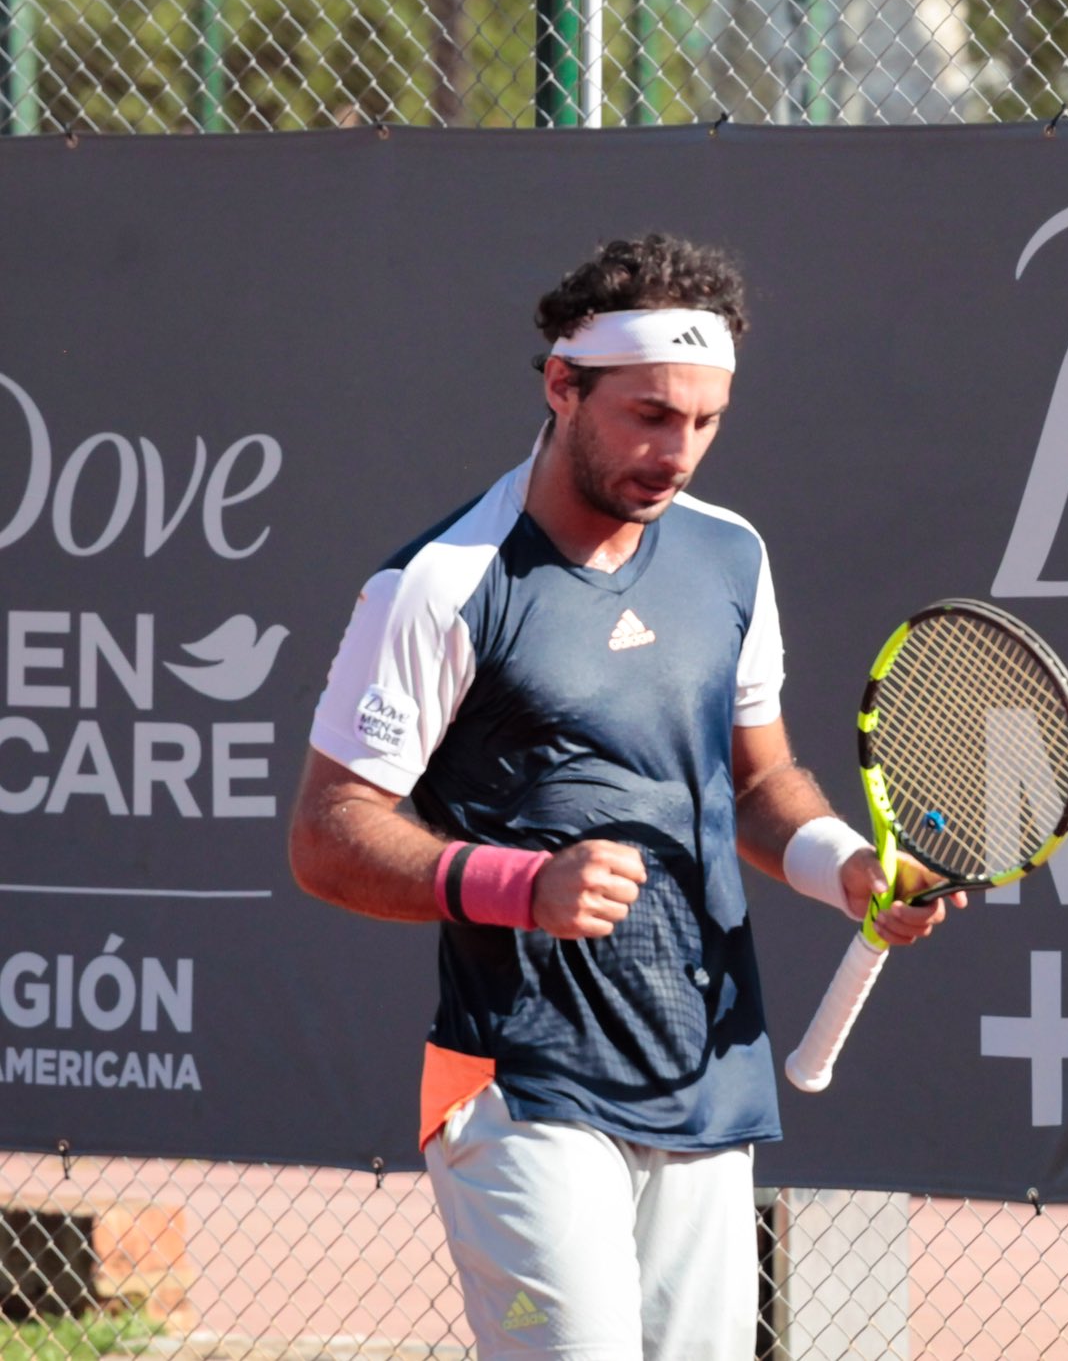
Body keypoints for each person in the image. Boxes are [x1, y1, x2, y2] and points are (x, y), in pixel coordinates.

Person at [288, 233, 958, 1361]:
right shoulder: (442, 582)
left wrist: (843, 865)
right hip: (518, 1083)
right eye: (648, 414)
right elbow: (327, 832)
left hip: (708, 1074)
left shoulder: (729, 559)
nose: (677, 450)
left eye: (702, 421)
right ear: (561, 386)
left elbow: (757, 782)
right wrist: (518, 884)